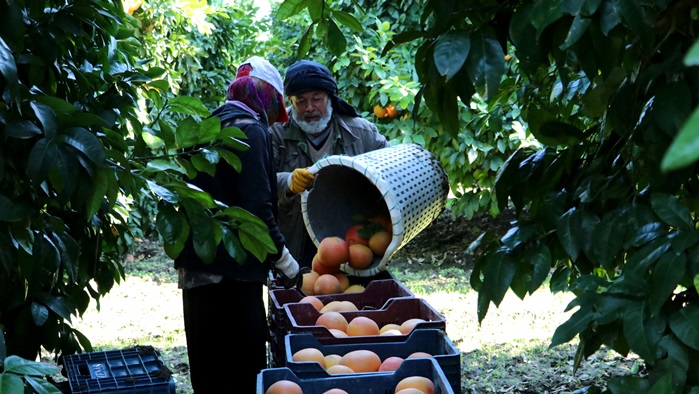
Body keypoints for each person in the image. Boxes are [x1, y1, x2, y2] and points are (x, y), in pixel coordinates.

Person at [174, 56, 299, 393]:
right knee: (243, 367)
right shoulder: (252, 130)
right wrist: (287, 263)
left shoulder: (205, 126)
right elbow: (258, 208)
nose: (274, 118)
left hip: (196, 269)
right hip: (235, 271)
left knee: (208, 368)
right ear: (267, 99)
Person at [270, 59, 391, 269]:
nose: (309, 108)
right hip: (296, 243)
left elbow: (391, 170)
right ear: (290, 101)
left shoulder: (361, 133)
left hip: (351, 237)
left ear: (330, 98)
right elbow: (260, 182)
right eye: (300, 101)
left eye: (316, 99)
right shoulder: (276, 135)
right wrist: (288, 181)